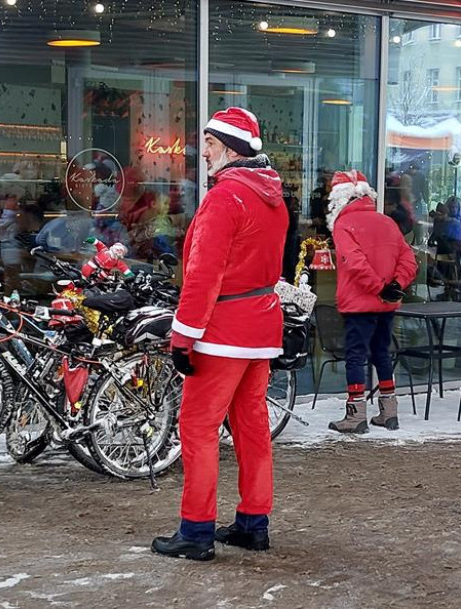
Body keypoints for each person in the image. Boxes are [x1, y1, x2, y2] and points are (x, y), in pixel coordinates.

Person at [152, 107, 287, 561]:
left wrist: (183, 336)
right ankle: (253, 523)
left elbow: (203, 274)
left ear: (229, 148)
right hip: (261, 326)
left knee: (197, 427)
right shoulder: (272, 197)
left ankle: (195, 532)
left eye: (209, 142)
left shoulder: (225, 198)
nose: (203, 150)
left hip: (221, 331)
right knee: (251, 426)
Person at [326, 170, 417, 433]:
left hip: (358, 303)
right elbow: (408, 259)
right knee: (382, 353)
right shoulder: (386, 222)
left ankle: (355, 415)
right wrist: (395, 286)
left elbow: (353, 263)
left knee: (356, 356)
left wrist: (378, 288)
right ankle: (389, 413)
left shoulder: (344, 225)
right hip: (386, 304)